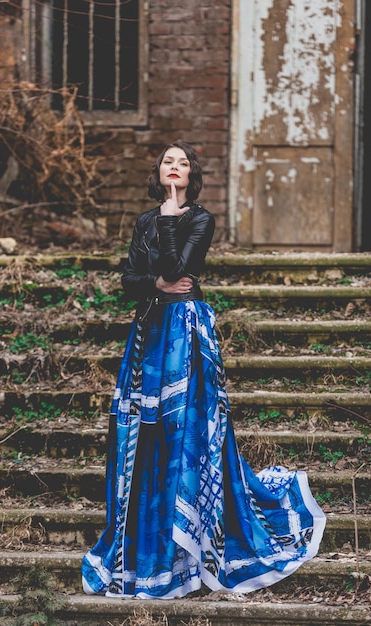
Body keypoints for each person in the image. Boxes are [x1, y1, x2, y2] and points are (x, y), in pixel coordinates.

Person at [81, 141, 326, 599]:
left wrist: (172, 220)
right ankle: (152, 543)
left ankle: (193, 541)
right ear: (158, 171)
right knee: (146, 433)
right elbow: (129, 280)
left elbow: (183, 267)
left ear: (192, 174)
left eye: (183, 163)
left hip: (185, 332)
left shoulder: (200, 219)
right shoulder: (142, 221)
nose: (175, 167)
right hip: (148, 334)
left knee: (186, 430)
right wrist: (155, 281)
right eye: (167, 162)